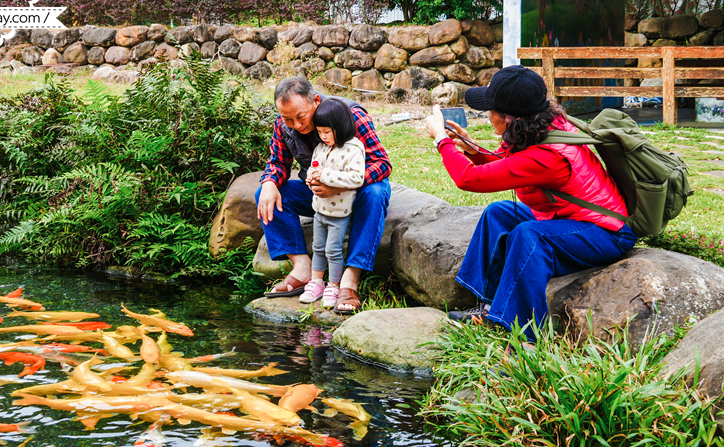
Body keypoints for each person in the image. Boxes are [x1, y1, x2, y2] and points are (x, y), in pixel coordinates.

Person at [423, 65, 637, 339]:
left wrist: (442, 140)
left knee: (530, 235)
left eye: (490, 109)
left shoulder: (548, 156)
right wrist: (469, 147)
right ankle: (489, 307)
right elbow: (508, 165)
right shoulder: (539, 128)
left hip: (606, 234)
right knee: (498, 213)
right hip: (568, 221)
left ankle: (526, 338)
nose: (487, 115)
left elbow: (469, 180)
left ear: (508, 118)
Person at [257, 77, 391, 312]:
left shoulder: (350, 114)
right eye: (288, 119)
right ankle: (301, 268)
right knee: (265, 192)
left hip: (354, 194)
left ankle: (350, 280)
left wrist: (341, 185)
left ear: (316, 101)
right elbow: (278, 162)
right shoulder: (284, 123)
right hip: (317, 196)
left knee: (376, 193)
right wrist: (269, 181)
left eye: (301, 117)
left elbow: (382, 163)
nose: (296, 125)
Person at [298, 98, 366, 308]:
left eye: (327, 132)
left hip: (339, 212)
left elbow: (357, 178)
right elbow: (314, 167)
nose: (323, 136)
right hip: (319, 209)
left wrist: (325, 175)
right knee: (318, 247)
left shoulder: (353, 148)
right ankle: (316, 282)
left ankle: (334, 285)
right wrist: (311, 178)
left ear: (341, 127)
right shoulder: (321, 147)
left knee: (333, 250)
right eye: (320, 132)